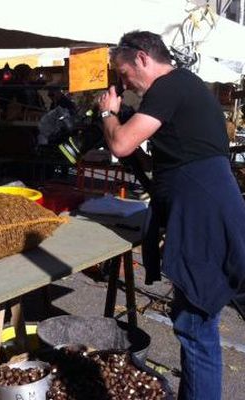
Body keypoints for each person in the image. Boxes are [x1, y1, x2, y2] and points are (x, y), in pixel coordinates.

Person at [98, 30, 245, 400]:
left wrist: (108, 113)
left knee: (196, 327)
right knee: (200, 324)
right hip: (212, 211)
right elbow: (165, 161)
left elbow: (121, 142)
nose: (123, 82)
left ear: (142, 58)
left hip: (203, 221)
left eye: (124, 72)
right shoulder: (187, 87)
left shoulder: (168, 85)